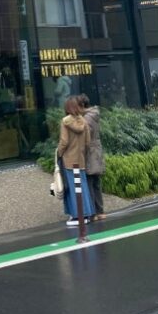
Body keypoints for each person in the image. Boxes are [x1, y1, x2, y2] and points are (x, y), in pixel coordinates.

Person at [56, 96, 93, 226]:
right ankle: (87, 214)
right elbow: (88, 143)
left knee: (73, 188)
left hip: (69, 160)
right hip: (80, 159)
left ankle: (77, 216)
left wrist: (58, 153)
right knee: (82, 186)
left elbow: (64, 142)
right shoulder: (84, 121)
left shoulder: (65, 121)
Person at [78, 94, 106, 221]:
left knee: (89, 182)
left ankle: (93, 212)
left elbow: (85, 138)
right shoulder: (94, 114)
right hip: (97, 150)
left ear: (83, 106)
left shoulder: (86, 119)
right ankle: (100, 211)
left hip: (90, 152)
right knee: (96, 182)